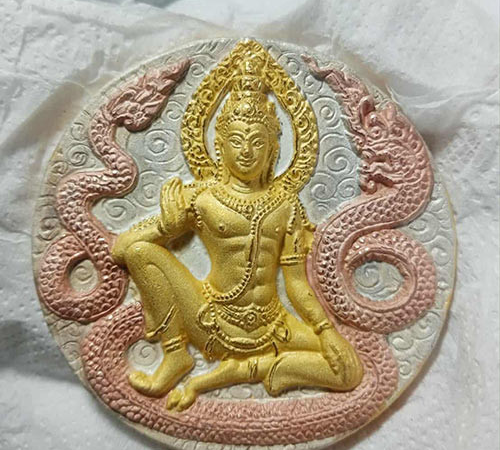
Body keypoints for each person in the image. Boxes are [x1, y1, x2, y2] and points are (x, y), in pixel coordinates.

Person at [112, 55, 363, 411]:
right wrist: (167, 227)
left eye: (258, 142)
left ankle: (234, 372)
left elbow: (296, 284)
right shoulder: (201, 197)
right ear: (219, 145)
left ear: (273, 148)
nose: (246, 151)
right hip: (209, 318)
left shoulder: (286, 205)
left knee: (348, 372)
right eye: (237, 140)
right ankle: (175, 354)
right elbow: (122, 249)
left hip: (273, 325)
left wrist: (326, 331)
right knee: (141, 253)